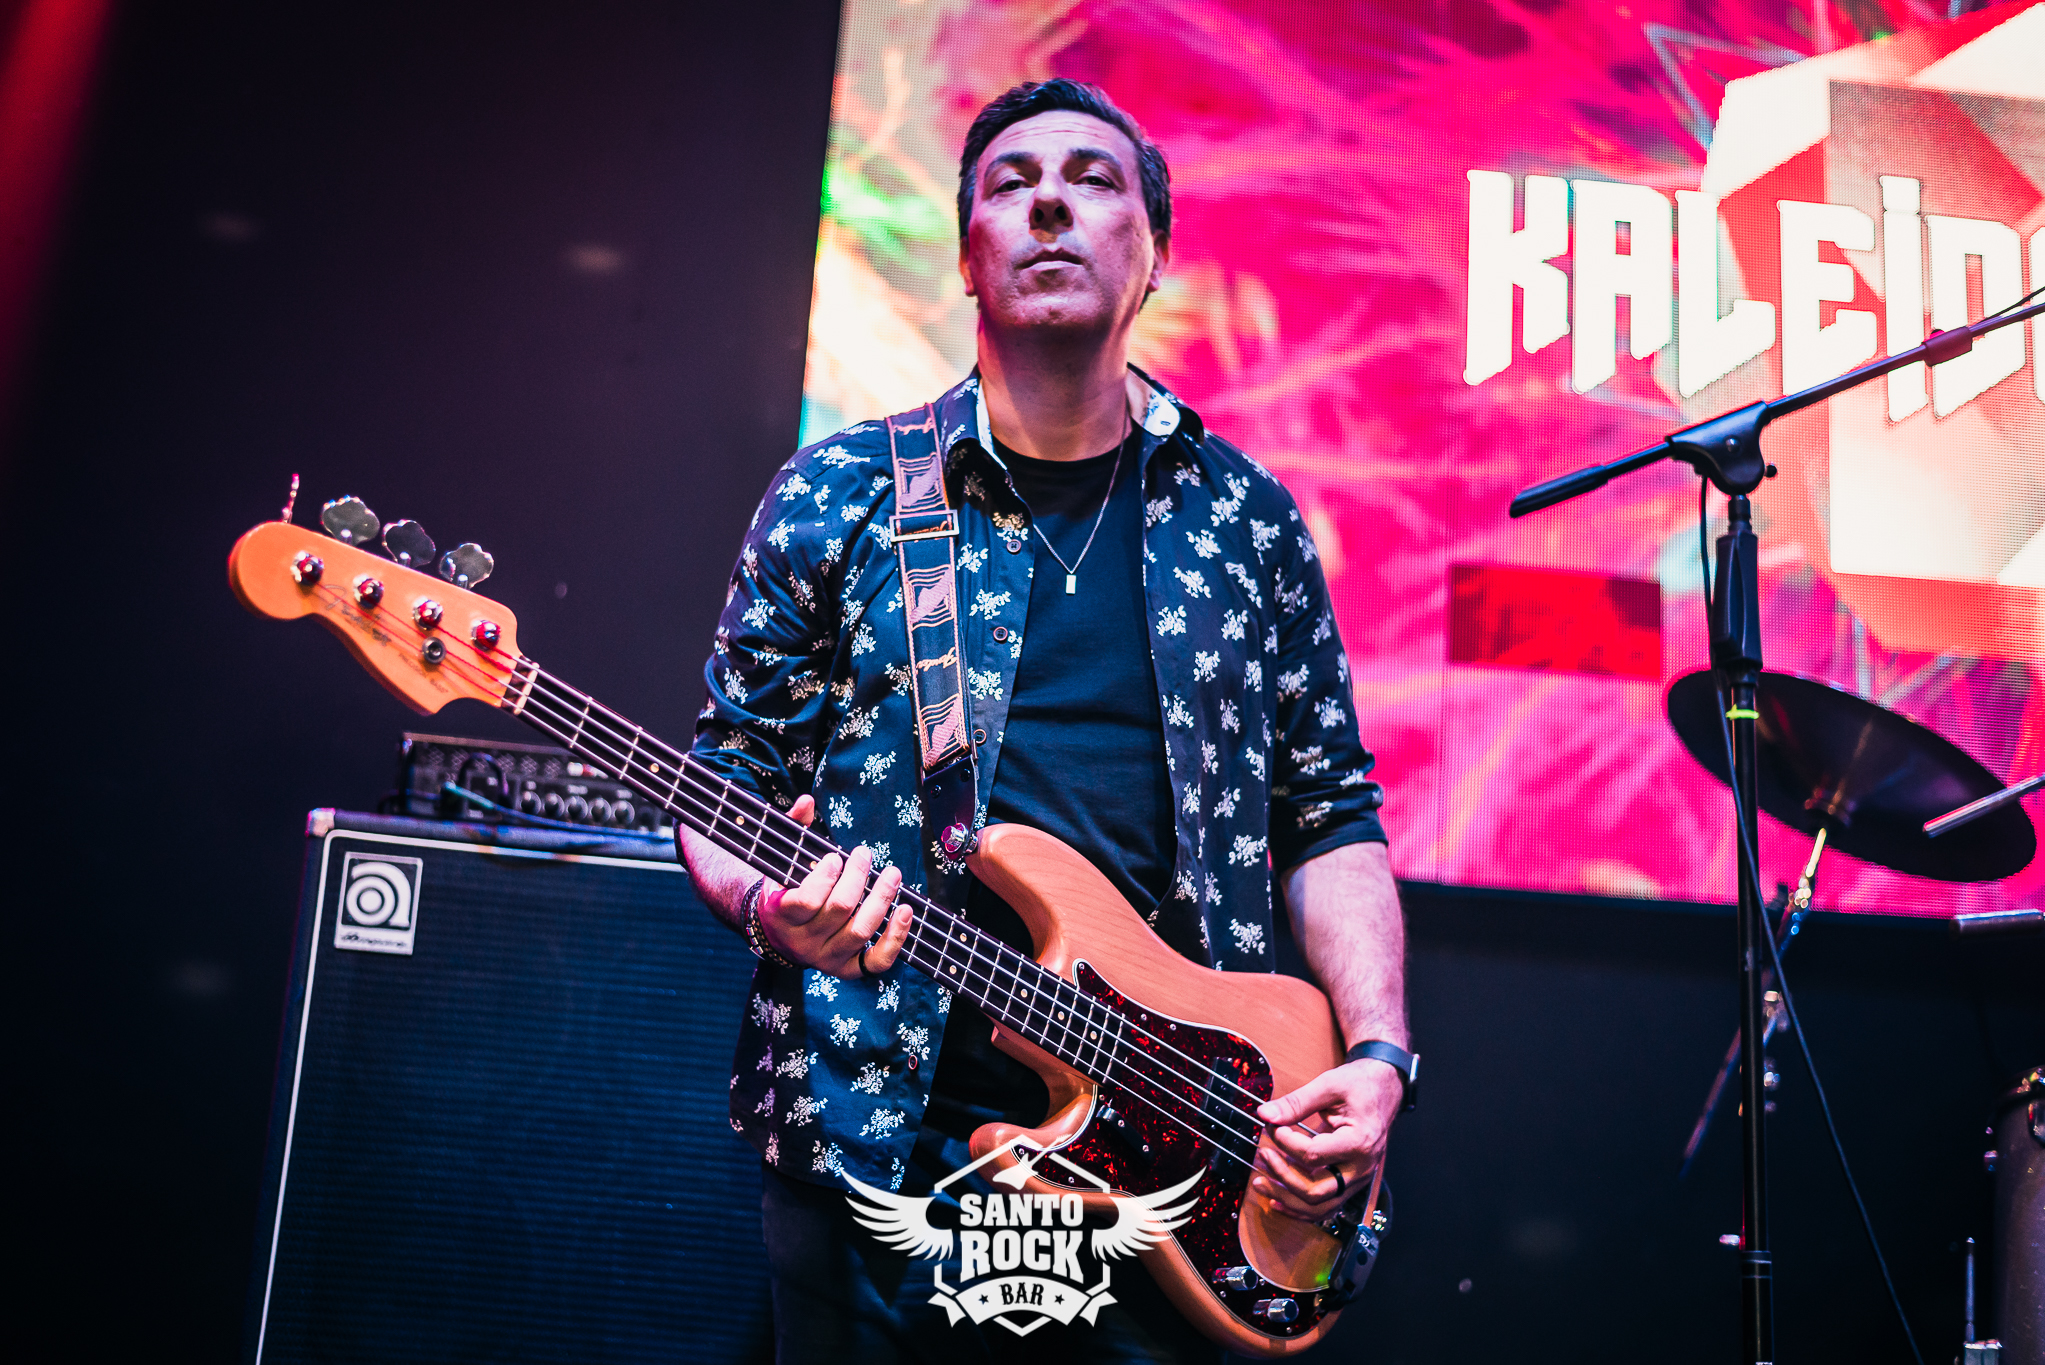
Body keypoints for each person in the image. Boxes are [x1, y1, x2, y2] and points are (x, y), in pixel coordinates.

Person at [682, 78, 1408, 1363]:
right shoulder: (840, 492)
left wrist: (1378, 1051)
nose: (1049, 205)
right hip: (878, 1135)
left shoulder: (1245, 520)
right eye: (1010, 185)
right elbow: (723, 778)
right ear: (967, 257)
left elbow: (1329, 814)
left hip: (1186, 1151)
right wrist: (766, 907)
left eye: (1091, 180)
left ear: (1154, 254)